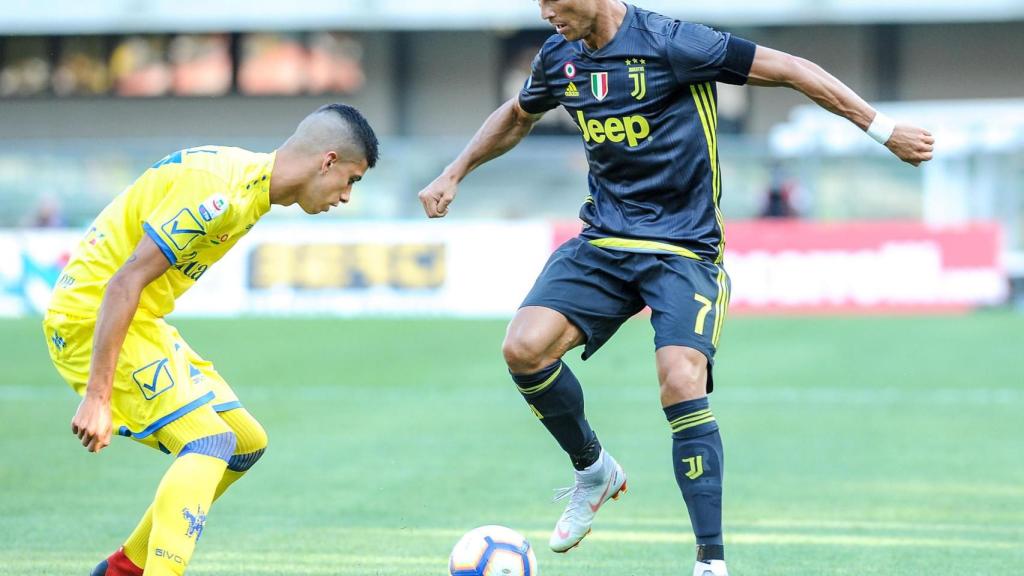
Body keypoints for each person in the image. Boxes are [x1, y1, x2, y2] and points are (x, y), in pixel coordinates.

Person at [416, 2, 933, 575]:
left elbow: (790, 68)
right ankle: (594, 469)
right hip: (606, 241)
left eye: (555, 1)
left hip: (684, 249)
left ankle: (710, 562)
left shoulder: (673, 43)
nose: (546, 13)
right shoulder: (559, 56)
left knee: (680, 379)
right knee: (523, 349)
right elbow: (518, 114)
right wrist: (454, 171)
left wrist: (882, 130)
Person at [43, 103, 378, 576]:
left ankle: (123, 569)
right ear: (327, 161)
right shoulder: (220, 193)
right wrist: (98, 396)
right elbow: (123, 282)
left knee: (243, 442)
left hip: (139, 321)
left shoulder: (248, 189)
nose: (346, 195)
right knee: (208, 441)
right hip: (90, 318)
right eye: (351, 179)